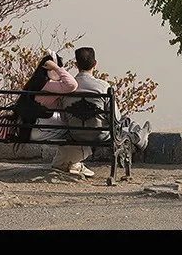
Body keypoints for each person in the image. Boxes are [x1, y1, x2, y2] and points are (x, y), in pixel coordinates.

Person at [52, 46, 150, 177]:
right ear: (95, 64)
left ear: (76, 65)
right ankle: (139, 137)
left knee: (127, 123)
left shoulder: (66, 88)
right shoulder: (103, 87)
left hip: (75, 134)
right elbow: (115, 118)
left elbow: (64, 117)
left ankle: (139, 135)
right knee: (126, 122)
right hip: (100, 135)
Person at [11, 50, 78, 147]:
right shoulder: (48, 85)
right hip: (39, 131)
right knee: (70, 130)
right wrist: (56, 67)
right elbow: (72, 85)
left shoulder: (36, 82)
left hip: (27, 130)